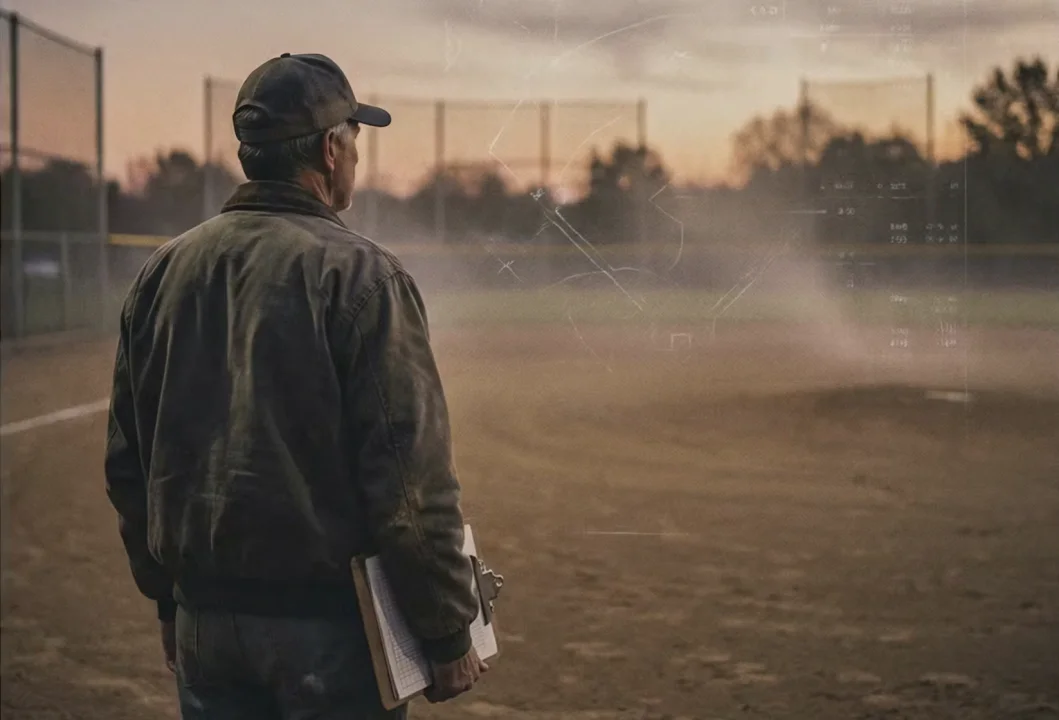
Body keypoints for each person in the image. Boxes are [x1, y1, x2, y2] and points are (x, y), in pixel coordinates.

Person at [104, 53, 487, 719]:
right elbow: (408, 478)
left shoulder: (161, 272)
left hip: (203, 625)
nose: (357, 156)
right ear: (331, 150)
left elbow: (127, 463)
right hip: (328, 633)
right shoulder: (361, 274)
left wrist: (169, 600)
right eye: (355, 139)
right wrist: (447, 626)